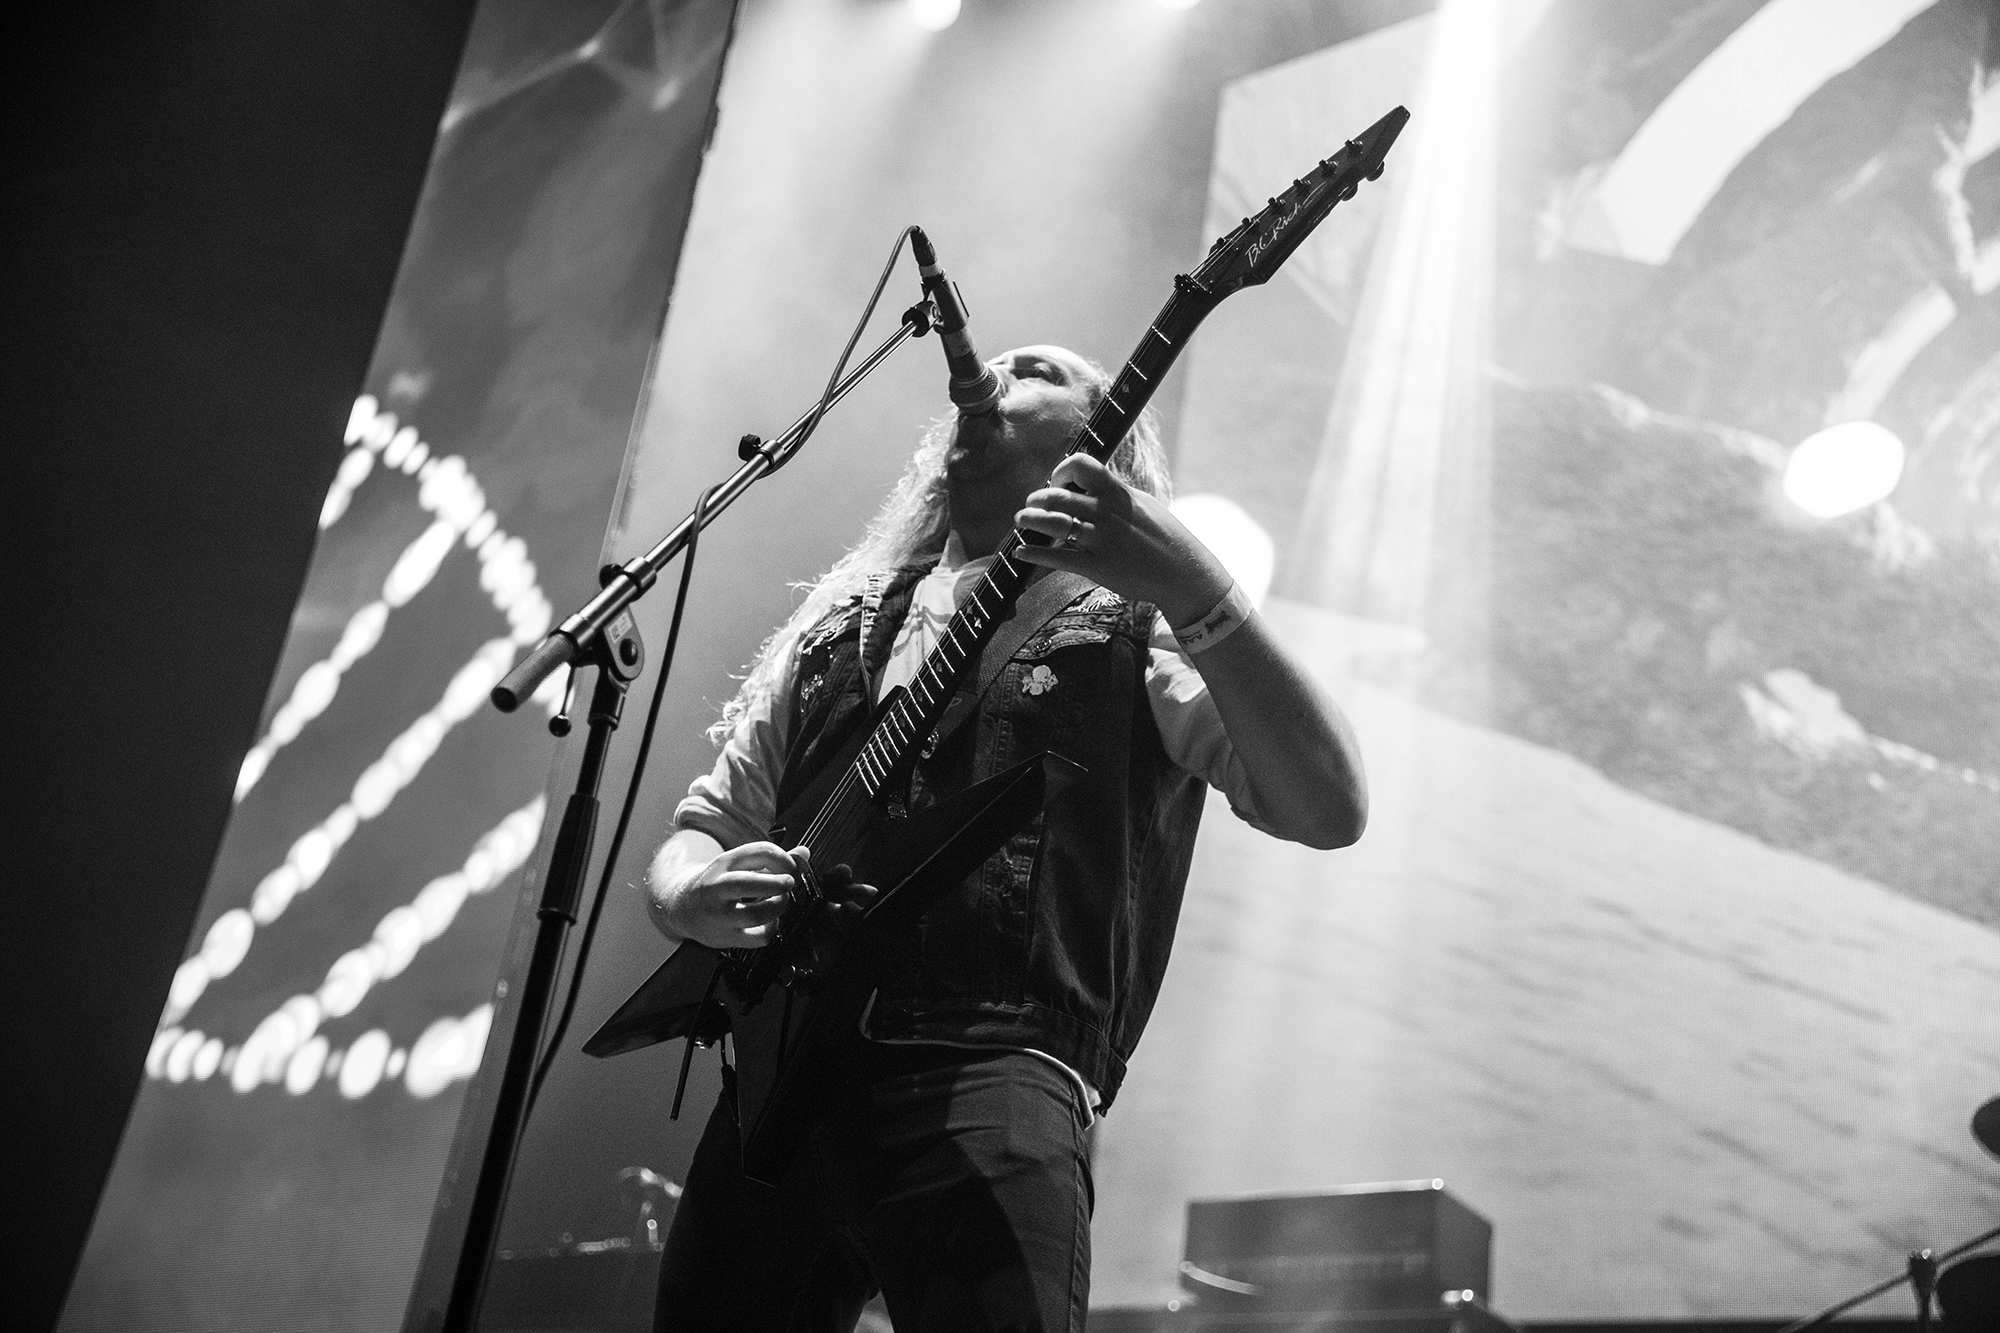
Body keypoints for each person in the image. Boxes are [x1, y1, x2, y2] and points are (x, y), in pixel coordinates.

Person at [645, 345, 1367, 1331]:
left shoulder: (1133, 624)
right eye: (990, 363)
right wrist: (689, 890)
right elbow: (703, 829)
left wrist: (1193, 581)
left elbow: (1326, 807)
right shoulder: (834, 627)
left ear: (1101, 441)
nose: (989, 374)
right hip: (772, 1096)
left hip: (991, 1073)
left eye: (1035, 370)